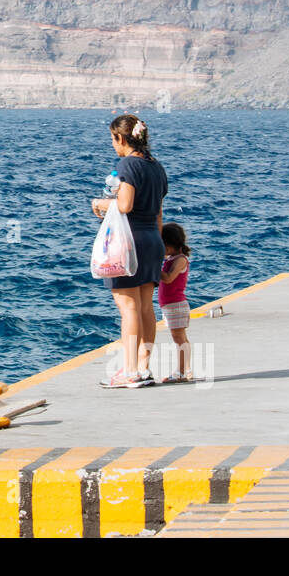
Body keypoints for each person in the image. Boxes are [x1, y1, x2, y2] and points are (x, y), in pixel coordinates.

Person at [92, 114, 168, 388]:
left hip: (128, 242)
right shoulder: (156, 166)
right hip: (152, 240)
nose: (113, 145)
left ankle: (130, 370)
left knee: (128, 307)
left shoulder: (128, 164)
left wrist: (99, 204)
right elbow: (159, 211)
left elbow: (124, 205)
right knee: (147, 306)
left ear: (121, 138)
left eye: (113, 139)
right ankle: (144, 367)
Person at [158, 223, 193, 383]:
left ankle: (181, 371)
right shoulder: (171, 258)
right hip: (170, 305)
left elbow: (169, 278)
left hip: (176, 305)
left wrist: (153, 267)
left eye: (163, 245)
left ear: (172, 244)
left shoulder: (180, 260)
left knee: (179, 339)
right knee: (180, 338)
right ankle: (185, 369)